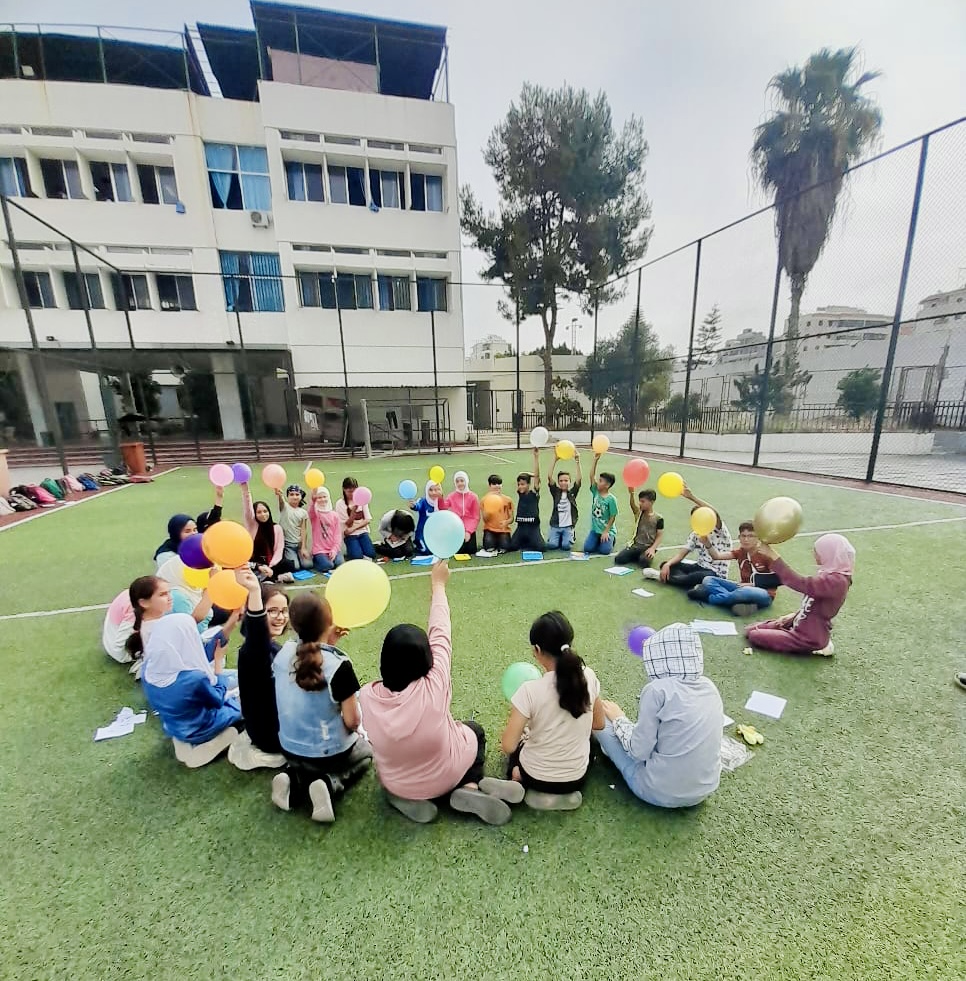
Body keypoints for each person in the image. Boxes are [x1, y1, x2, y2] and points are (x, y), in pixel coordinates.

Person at [359, 561, 524, 825]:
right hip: (448, 773)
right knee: (475, 731)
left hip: (398, 782)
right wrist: (438, 584)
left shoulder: (366, 697)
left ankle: (404, 797)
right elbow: (441, 631)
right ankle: (469, 787)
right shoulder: (435, 682)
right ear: (427, 658)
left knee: (396, 770)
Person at [271, 592, 374, 823]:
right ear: (329, 622)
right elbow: (353, 722)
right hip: (328, 754)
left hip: (288, 747)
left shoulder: (282, 653)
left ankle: (291, 777)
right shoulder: (339, 666)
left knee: (305, 758)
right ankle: (330, 783)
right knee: (366, 752)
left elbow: (311, 661)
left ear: (293, 624)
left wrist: (327, 642)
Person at [596, 623, 723, 808]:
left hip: (658, 792)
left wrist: (618, 719)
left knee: (601, 724)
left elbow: (638, 751)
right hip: (704, 790)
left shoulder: (657, 690)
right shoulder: (709, 687)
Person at [500, 611, 605, 810]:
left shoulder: (529, 691)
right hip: (576, 779)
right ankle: (563, 796)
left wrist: (527, 733)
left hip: (535, 776)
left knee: (520, 744)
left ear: (537, 649)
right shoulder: (588, 676)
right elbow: (599, 724)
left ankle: (517, 778)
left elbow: (508, 746)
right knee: (590, 743)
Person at [140, 612, 242, 764]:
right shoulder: (194, 679)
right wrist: (219, 663)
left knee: (232, 678)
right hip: (200, 726)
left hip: (174, 724)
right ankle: (212, 743)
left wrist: (230, 623)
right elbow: (218, 699)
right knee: (247, 699)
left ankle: (184, 742)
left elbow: (199, 655)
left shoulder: (149, 667)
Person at [745, 534, 855, 656]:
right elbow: (813, 605)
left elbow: (799, 583)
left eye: (818, 551)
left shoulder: (837, 582)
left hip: (807, 637)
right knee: (750, 629)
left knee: (755, 635)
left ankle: (821, 644)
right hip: (800, 623)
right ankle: (808, 636)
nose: (815, 554)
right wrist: (793, 617)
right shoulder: (829, 573)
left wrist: (773, 556)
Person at [228, 569, 290, 771]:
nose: (280, 617)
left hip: (277, 725)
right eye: (272, 611)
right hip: (270, 735)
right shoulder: (253, 650)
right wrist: (254, 591)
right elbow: (257, 632)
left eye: (284, 611)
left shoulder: (275, 648)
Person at [654, 484, 732, 589]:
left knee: (696, 577)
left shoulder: (719, 530)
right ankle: (687, 581)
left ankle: (663, 577)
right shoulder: (696, 533)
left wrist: (692, 497)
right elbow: (681, 554)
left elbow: (715, 513)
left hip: (715, 573)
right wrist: (668, 564)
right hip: (699, 567)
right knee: (666, 564)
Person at [695, 521, 778, 616]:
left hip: (764, 593)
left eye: (750, 536)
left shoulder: (766, 554)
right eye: (743, 536)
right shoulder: (740, 552)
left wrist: (751, 584)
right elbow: (717, 556)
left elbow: (777, 579)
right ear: (739, 538)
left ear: (758, 538)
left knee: (745, 591)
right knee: (708, 579)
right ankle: (738, 602)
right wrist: (707, 544)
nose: (746, 539)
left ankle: (710, 598)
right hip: (741, 588)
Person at [242, 482, 295, 583]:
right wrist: (245, 489)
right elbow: (247, 508)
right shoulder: (252, 525)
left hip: (271, 563)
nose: (263, 514)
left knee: (289, 564)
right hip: (255, 563)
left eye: (265, 511)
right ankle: (277, 578)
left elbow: (279, 550)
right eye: (259, 512)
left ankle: (270, 576)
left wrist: (270, 566)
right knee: (244, 569)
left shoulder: (276, 528)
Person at [614, 488, 664, 567]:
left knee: (644, 563)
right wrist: (631, 494)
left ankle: (640, 557)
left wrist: (652, 549)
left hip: (647, 547)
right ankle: (636, 556)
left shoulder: (658, 518)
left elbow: (659, 535)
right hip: (635, 546)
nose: (640, 503)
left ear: (651, 502)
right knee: (619, 559)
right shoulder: (639, 513)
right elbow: (632, 505)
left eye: (643, 501)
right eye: (640, 501)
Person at [508, 449, 546, 552]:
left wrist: (536, 457)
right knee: (512, 547)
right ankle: (526, 540)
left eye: (523, 484)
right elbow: (522, 474)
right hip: (521, 527)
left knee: (541, 548)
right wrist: (528, 475)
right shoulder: (520, 493)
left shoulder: (534, 493)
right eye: (519, 484)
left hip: (533, 527)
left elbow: (537, 477)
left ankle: (537, 536)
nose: (520, 486)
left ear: (529, 484)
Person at [546, 450, 582, 551]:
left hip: (568, 526)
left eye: (566, 480)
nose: (563, 483)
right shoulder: (556, 492)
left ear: (570, 482)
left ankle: (571, 534)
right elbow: (549, 477)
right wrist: (555, 459)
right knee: (552, 545)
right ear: (558, 482)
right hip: (556, 525)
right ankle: (557, 536)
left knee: (566, 546)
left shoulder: (572, 493)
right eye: (561, 481)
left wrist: (577, 461)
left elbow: (579, 479)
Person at [583, 453, 618, 555]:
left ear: (607, 485)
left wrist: (606, 531)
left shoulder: (611, 499)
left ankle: (611, 538)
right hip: (595, 530)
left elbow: (612, 516)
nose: (598, 482)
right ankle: (598, 539)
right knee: (587, 548)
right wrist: (595, 460)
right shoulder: (595, 492)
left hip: (606, 530)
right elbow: (591, 476)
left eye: (601, 481)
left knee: (605, 551)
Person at [337, 476, 376, 561]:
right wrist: (353, 511)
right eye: (349, 491)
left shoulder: (362, 499)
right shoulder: (340, 504)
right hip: (350, 535)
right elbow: (348, 524)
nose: (352, 494)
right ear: (344, 490)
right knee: (357, 557)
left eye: (354, 491)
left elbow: (367, 519)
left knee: (371, 554)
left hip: (362, 532)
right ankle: (352, 549)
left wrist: (354, 528)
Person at [308, 486, 344, 573]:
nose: (322, 499)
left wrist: (334, 549)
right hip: (319, 549)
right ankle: (315, 561)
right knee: (328, 566)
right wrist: (313, 501)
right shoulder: (316, 514)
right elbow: (311, 512)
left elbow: (337, 534)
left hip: (332, 548)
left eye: (324, 497)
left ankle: (328, 559)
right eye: (319, 497)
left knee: (340, 563)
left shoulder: (334, 515)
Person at [275, 484, 311, 572]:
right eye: (291, 494)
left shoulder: (303, 512)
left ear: (301, 496)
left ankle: (299, 555)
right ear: (287, 496)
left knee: (308, 565)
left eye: (297, 494)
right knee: (295, 567)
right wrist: (279, 494)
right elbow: (281, 501)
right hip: (288, 545)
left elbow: (303, 530)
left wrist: (303, 547)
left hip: (298, 544)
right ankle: (286, 556)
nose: (294, 497)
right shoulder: (285, 507)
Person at [443, 471, 480, 555]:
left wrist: (468, 531)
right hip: (456, 528)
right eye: (457, 481)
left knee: (471, 550)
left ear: (466, 481)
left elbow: (476, 517)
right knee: (458, 551)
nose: (460, 483)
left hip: (469, 529)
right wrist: (439, 497)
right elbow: (443, 507)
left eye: (462, 481)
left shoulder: (473, 497)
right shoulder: (451, 496)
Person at [479, 475, 514, 555]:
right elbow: (485, 520)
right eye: (494, 484)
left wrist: (506, 522)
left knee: (504, 548)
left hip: (503, 530)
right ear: (490, 486)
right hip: (490, 530)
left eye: (499, 483)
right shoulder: (485, 500)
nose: (497, 486)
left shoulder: (508, 500)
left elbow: (512, 518)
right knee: (489, 548)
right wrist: (489, 512)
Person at [410, 480, 443, 555]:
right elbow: (418, 506)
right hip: (423, 532)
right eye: (431, 490)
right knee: (426, 551)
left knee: (437, 550)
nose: (433, 493)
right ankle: (417, 542)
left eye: (436, 490)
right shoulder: (423, 501)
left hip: (436, 533)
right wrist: (414, 505)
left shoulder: (441, 503)